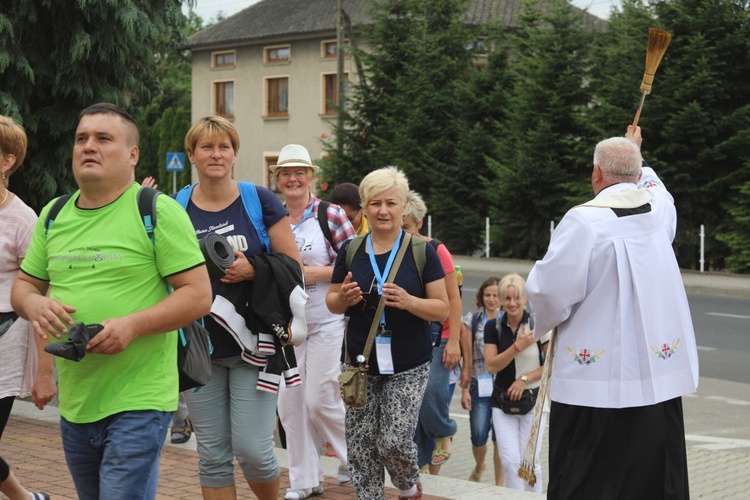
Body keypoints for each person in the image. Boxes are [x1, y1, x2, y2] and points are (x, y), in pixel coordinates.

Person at [11, 103, 212, 499]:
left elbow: (199, 295)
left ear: (132, 154)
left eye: (104, 139)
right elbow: (23, 287)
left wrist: (132, 326)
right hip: (78, 401)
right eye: (81, 138)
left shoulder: (157, 211)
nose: (89, 146)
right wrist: (33, 306)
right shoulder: (54, 214)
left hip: (140, 399)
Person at [526, 125, 699, 499]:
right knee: (651, 479)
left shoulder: (584, 221)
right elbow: (658, 190)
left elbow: (547, 290)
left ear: (596, 174)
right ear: (637, 175)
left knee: (590, 478)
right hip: (654, 379)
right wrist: (639, 156)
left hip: (595, 387)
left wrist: (538, 323)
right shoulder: (656, 212)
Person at [178, 116, 302, 500]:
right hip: (201, 346)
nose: (216, 154)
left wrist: (254, 268)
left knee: (254, 450)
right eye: (207, 147)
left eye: (224, 147)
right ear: (192, 155)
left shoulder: (258, 199)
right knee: (212, 455)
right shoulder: (176, 205)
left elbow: (293, 266)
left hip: (256, 346)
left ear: (234, 153)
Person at [326, 166, 449, 500]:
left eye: (391, 203)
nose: (383, 210)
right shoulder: (351, 250)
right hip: (359, 365)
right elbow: (332, 302)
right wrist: (343, 299)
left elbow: (442, 308)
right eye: (375, 203)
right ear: (364, 207)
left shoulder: (422, 251)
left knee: (393, 441)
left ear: (404, 206)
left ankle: (408, 484)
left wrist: (410, 301)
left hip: (408, 363)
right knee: (362, 448)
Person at [273, 144, 355, 500]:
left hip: (326, 320)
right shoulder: (270, 218)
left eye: (299, 172)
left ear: (311, 177)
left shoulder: (332, 214)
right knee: (290, 404)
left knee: (321, 397)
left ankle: (361, 460)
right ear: (277, 179)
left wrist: (309, 273)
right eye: (286, 173)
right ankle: (305, 480)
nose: (293, 179)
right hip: (287, 329)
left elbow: (355, 262)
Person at [401, 190, 463, 474]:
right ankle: (420, 462)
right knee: (410, 404)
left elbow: (454, 299)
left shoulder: (436, 250)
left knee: (432, 393)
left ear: (419, 224)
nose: (404, 234)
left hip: (441, 336)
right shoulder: (392, 252)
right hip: (410, 336)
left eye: (407, 228)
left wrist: (455, 343)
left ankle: (443, 431)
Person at [483, 273, 549, 493]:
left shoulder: (538, 324)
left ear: (525, 299)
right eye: (507, 298)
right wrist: (517, 347)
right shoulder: (493, 327)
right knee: (510, 462)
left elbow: (551, 364)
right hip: (501, 402)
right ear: (501, 300)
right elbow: (491, 366)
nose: (512, 303)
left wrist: (524, 379)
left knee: (528, 461)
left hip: (533, 401)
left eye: (517, 298)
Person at [140, 175, 193, 445]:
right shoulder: (141, 218)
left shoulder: (171, 219)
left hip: (174, 306)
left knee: (178, 359)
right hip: (149, 307)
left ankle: (181, 420)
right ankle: (179, 419)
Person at [0, 116, 37, 442]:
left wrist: (45, 373)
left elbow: (39, 291)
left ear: (7, 161)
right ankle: (25, 497)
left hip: (6, 340)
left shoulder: (23, 219)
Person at [460, 276, 504, 485]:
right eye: (488, 295)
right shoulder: (473, 320)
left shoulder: (508, 320)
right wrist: (465, 389)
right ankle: (479, 466)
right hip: (479, 384)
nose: (492, 299)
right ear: (481, 297)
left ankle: (500, 485)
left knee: (500, 439)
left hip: (502, 387)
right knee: (478, 436)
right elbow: (466, 358)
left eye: (496, 295)